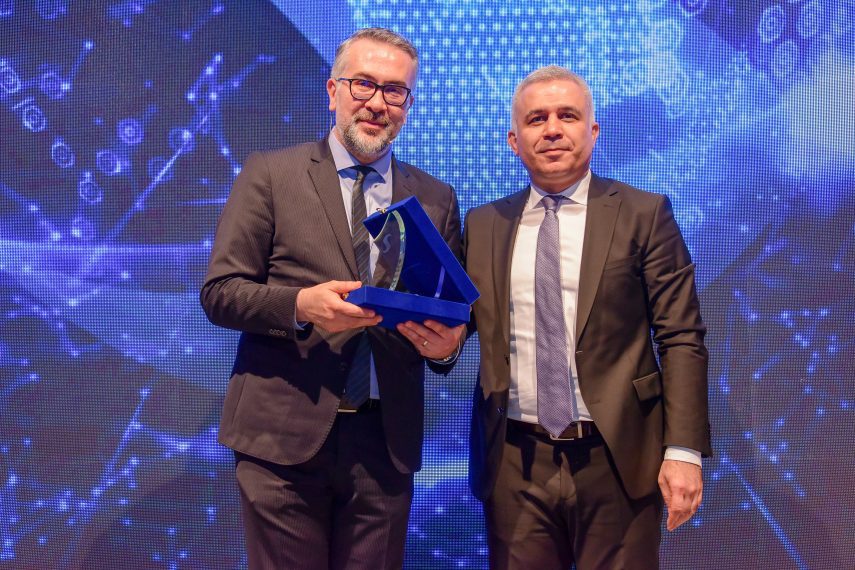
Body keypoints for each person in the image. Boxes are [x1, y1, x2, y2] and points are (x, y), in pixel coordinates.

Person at [201, 28, 465, 570]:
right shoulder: (271, 174)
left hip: (384, 444)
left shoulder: (436, 199)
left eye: (395, 91)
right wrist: (301, 306)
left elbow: (445, 311)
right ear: (333, 90)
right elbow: (221, 292)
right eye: (363, 84)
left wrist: (446, 350)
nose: (377, 103)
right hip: (281, 440)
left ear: (409, 104)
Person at [463, 65, 712, 569]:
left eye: (568, 116)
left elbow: (681, 337)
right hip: (514, 462)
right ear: (514, 141)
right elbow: (458, 323)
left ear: (593, 131)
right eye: (536, 119)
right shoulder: (484, 223)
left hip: (619, 458)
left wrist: (683, 450)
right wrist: (435, 342)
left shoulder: (644, 214)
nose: (552, 129)